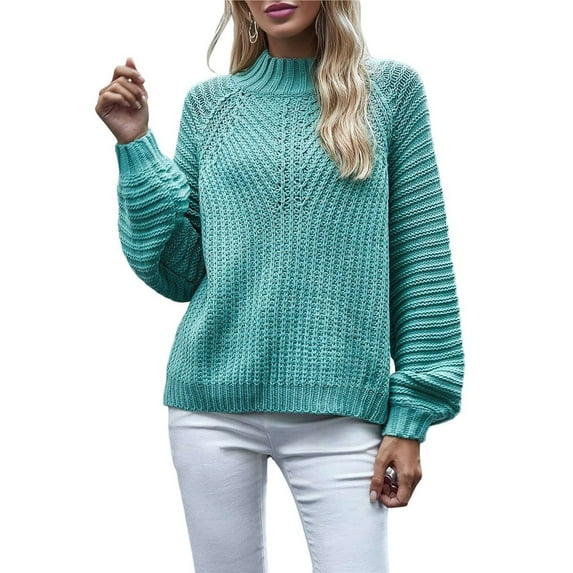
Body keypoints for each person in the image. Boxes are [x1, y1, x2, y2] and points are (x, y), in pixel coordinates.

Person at [95, 1, 464, 571]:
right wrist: (136, 145)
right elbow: (179, 271)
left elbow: (421, 260)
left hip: (343, 409)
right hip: (210, 404)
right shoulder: (210, 106)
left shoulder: (390, 94)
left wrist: (413, 416)